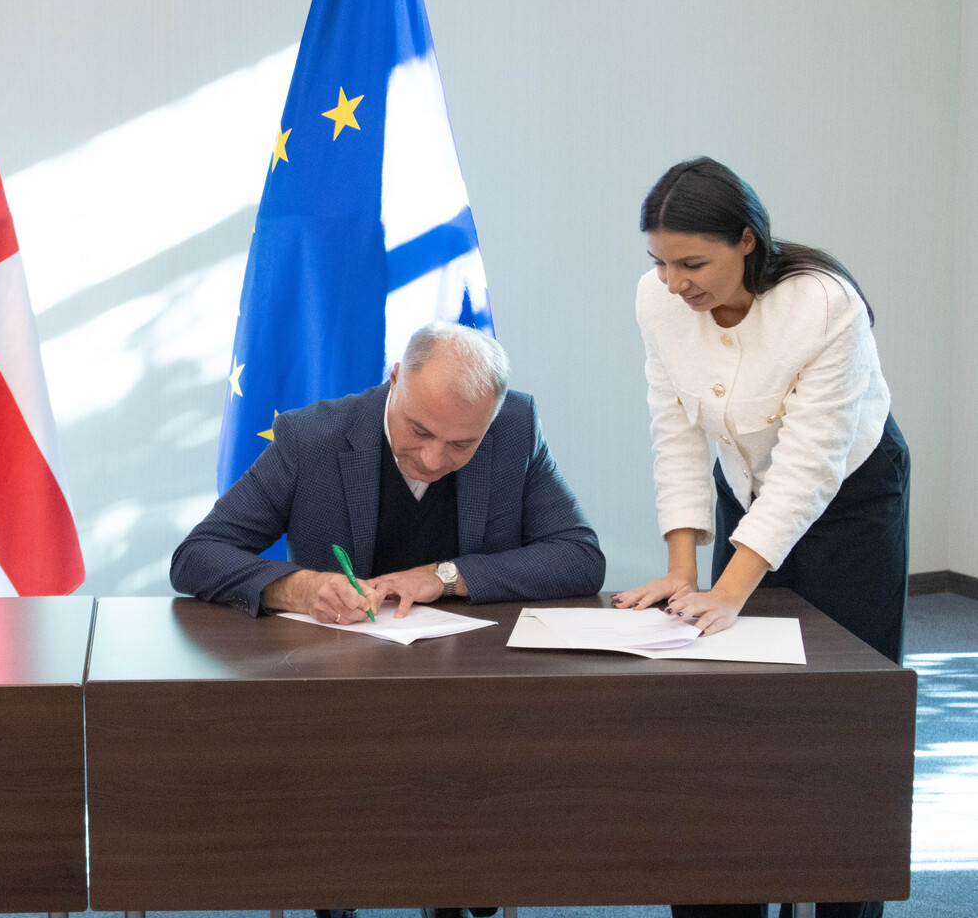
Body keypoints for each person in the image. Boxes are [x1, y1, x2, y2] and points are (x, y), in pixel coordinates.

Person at [616, 157, 906, 918]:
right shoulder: (657, 301)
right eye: (660, 262)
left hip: (850, 494)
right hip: (746, 482)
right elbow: (676, 429)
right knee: (733, 692)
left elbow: (810, 465)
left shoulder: (824, 305)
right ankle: (735, 879)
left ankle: (842, 893)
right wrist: (684, 571)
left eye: (692, 264)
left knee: (845, 703)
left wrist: (730, 589)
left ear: (746, 241)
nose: (673, 283)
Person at [172, 322, 604, 625]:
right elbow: (197, 554)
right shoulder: (311, 438)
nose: (432, 460)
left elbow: (580, 557)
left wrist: (444, 577)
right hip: (337, 673)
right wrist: (300, 589)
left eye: (461, 444)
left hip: (476, 673)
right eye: (420, 431)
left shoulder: (515, 427)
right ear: (395, 379)